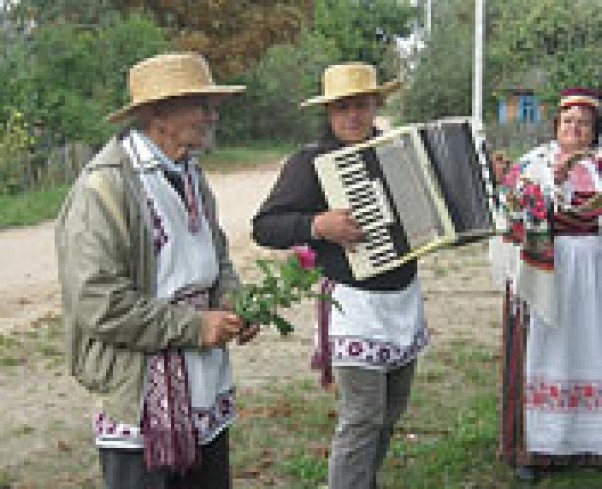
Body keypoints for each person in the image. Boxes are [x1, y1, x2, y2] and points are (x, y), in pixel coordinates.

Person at [55, 52, 259, 489]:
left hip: (205, 389)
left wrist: (232, 298)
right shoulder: (104, 188)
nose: (211, 115)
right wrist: (193, 326)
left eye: (211, 104)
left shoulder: (191, 174)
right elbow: (98, 303)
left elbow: (217, 257)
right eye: (199, 105)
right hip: (142, 400)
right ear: (158, 114)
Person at [251, 62, 429, 489]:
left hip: (403, 298)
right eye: (343, 107)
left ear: (375, 106)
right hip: (354, 305)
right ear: (329, 112)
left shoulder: (397, 151)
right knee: (362, 417)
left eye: (361, 106)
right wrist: (317, 226)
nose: (353, 116)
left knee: (391, 411)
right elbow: (265, 226)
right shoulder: (311, 162)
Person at [492, 88, 602, 480]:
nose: (574, 128)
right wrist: (524, 199)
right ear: (556, 125)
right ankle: (537, 450)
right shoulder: (533, 164)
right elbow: (507, 208)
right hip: (546, 271)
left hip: (596, 275)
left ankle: (593, 444)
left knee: (592, 349)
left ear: (595, 129)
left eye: (583, 122)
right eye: (568, 121)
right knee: (546, 353)